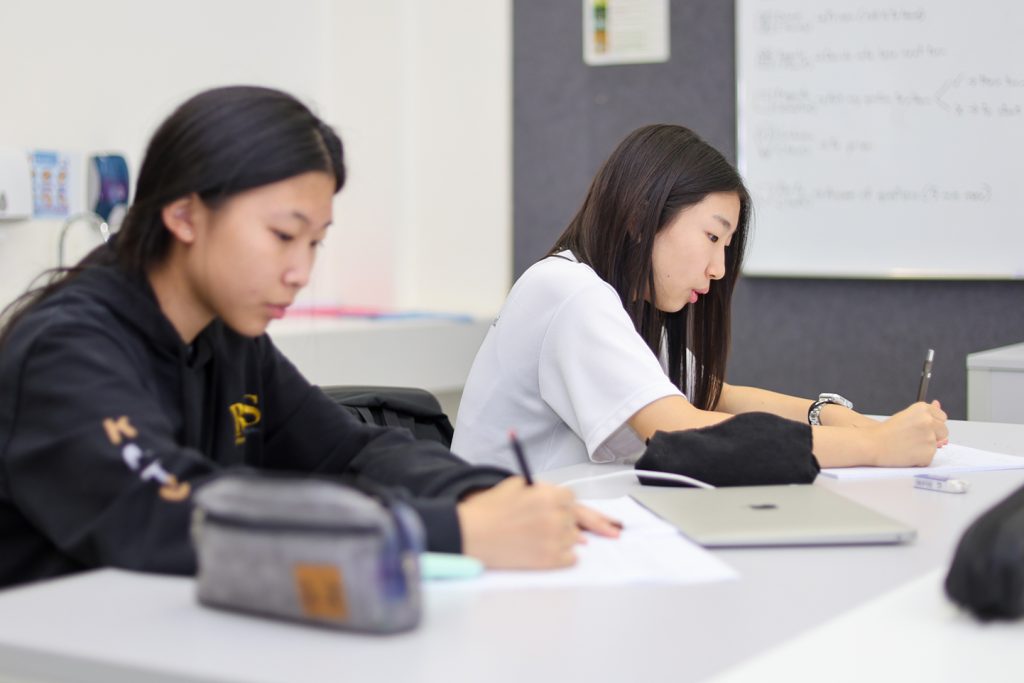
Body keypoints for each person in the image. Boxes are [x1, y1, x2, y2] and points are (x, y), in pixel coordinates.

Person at [0, 86, 618, 589]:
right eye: (282, 234)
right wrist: (451, 531)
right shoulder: (68, 351)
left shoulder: (227, 335)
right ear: (184, 214)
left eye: (315, 241)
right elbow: (179, 514)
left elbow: (350, 451)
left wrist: (496, 495)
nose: (301, 272)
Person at [452, 124, 949, 473]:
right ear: (641, 215)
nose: (718, 269)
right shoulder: (570, 294)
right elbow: (686, 434)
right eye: (713, 238)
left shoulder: (611, 299)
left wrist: (825, 411)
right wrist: (876, 446)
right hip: (516, 554)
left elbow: (716, 395)